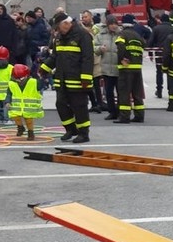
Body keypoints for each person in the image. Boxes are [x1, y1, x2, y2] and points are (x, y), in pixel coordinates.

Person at [40, 13, 94, 143]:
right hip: (62, 79)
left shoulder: (83, 35)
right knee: (61, 104)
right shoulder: (59, 37)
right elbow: (55, 56)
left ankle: (83, 133)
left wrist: (86, 78)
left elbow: (88, 58)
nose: (57, 31)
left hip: (77, 80)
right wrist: (44, 67)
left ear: (66, 23)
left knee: (79, 106)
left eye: (58, 27)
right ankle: (70, 129)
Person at [113, 14, 145, 123]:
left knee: (124, 93)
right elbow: (144, 45)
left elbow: (121, 47)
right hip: (137, 68)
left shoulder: (122, 34)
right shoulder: (137, 35)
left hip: (126, 68)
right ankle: (139, 116)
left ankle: (124, 116)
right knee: (137, 93)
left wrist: (121, 59)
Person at [7, 63, 43, 140]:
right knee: (15, 117)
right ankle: (20, 127)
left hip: (29, 107)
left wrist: (40, 78)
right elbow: (8, 94)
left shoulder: (33, 82)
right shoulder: (11, 84)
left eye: (21, 78)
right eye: (17, 78)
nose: (19, 80)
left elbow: (40, 86)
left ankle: (31, 133)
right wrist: (7, 102)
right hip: (16, 107)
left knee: (29, 120)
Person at [95, 14, 120, 120]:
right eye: (111, 24)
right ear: (107, 24)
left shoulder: (121, 34)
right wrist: (100, 48)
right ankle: (112, 111)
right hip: (106, 69)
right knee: (109, 92)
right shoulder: (101, 35)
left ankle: (121, 111)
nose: (114, 26)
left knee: (120, 92)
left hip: (119, 69)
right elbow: (94, 48)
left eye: (115, 24)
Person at [81, 10, 104, 113]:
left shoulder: (96, 28)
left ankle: (99, 103)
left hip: (95, 58)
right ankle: (94, 103)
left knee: (96, 83)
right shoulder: (80, 29)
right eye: (83, 17)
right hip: (85, 59)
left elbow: (97, 40)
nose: (84, 18)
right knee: (87, 83)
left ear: (91, 17)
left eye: (86, 17)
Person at [147, 13, 173, 99]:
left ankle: (159, 91)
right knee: (170, 72)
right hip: (171, 54)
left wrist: (150, 53)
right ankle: (171, 91)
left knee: (159, 72)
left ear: (161, 20)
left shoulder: (156, 28)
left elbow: (151, 42)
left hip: (159, 54)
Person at [0, 46, 13, 124]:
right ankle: (6, 119)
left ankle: (0, 119)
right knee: (6, 106)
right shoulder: (10, 68)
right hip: (6, 93)